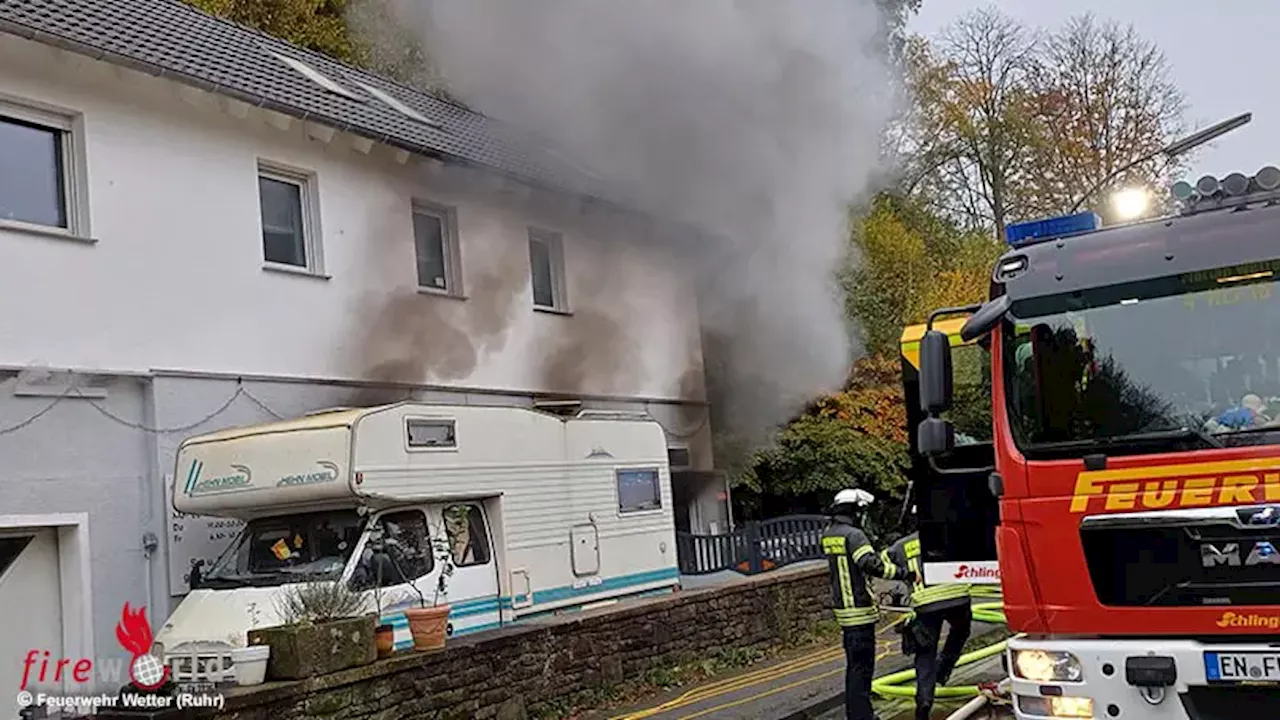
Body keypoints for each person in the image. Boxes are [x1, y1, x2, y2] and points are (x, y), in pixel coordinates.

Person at [821, 488, 913, 720]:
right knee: (862, 669)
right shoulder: (854, 535)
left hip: (844, 611)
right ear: (855, 511)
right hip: (860, 612)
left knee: (854, 668)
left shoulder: (830, 533)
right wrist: (904, 573)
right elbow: (870, 564)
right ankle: (862, 717)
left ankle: (857, 714)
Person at [883, 532, 972, 720]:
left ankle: (924, 700)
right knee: (961, 630)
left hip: (925, 604)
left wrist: (904, 574)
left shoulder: (901, 545)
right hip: (956, 597)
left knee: (925, 653)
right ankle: (943, 670)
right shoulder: (948, 534)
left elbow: (882, 562)